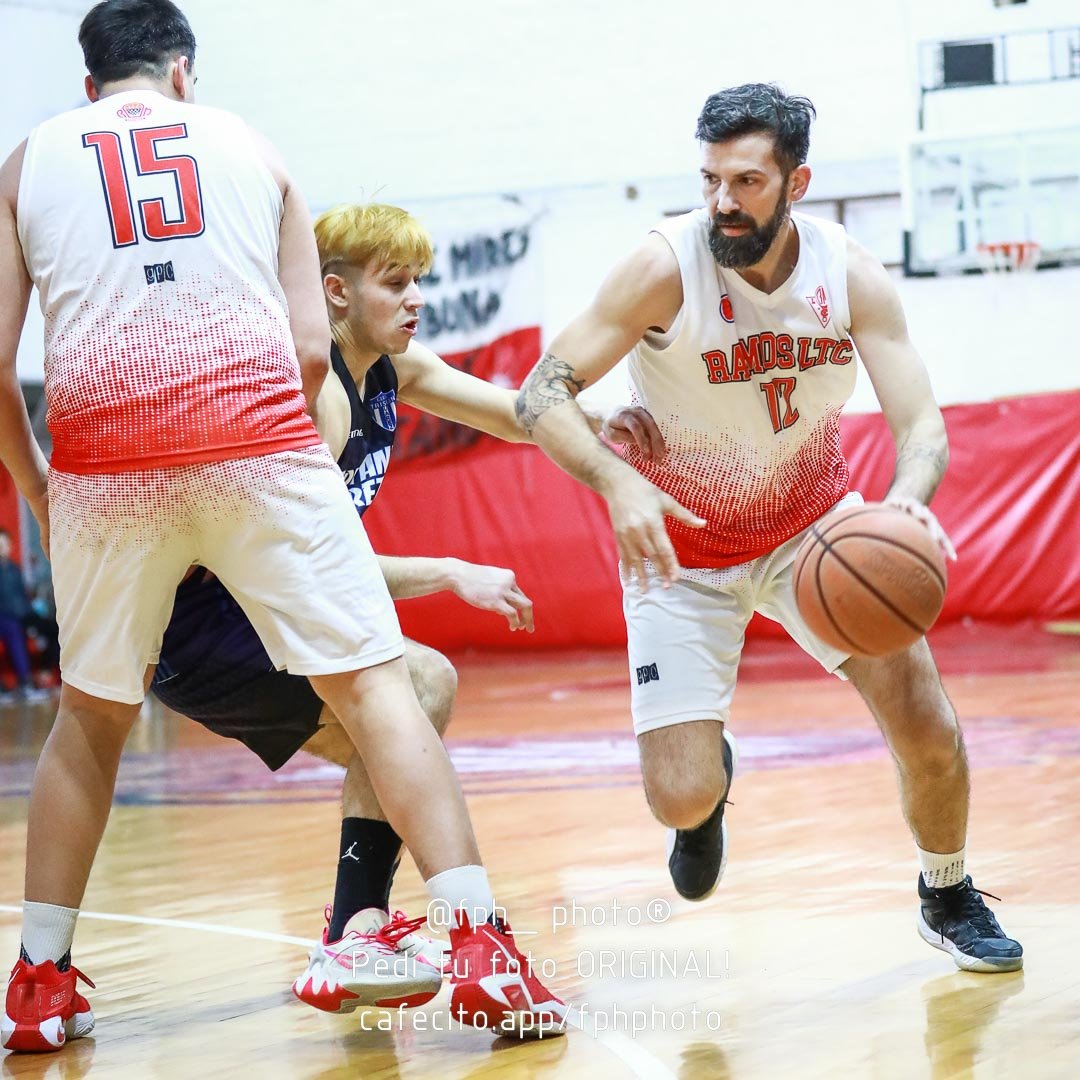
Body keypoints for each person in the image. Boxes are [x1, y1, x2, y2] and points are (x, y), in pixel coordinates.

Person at [0, 0, 562, 1053]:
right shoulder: (252, 146)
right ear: (184, 74)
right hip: (255, 439)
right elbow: (310, 348)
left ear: (89, 87)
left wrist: (43, 490)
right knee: (381, 686)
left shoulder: (28, 160)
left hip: (104, 467)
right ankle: (482, 944)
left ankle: (38, 983)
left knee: (89, 724)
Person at [515, 83, 1022, 974]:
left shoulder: (851, 273)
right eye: (710, 177)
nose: (722, 201)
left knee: (927, 726)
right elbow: (540, 393)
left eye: (746, 181)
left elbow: (922, 427)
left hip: (816, 531)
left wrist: (905, 504)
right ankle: (708, 792)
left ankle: (947, 892)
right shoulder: (662, 266)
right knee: (677, 797)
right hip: (678, 546)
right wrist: (613, 484)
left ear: (798, 182)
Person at [151, 202, 569, 1013]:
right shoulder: (318, 396)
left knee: (415, 701)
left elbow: (519, 417)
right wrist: (451, 570)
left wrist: (618, 425)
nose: (416, 299)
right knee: (416, 684)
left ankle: (355, 934)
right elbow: (312, 565)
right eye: (396, 283)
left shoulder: (390, 370)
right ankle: (394, 930)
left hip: (268, 616)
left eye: (420, 282)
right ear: (334, 293)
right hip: (212, 624)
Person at [0, 528, 50, 702]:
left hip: (17, 618)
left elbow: (23, 598)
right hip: (3, 618)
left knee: (19, 632)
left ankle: (25, 683)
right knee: (11, 628)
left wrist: (31, 622)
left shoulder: (15, 570)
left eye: (4, 544)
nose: (2, 548)